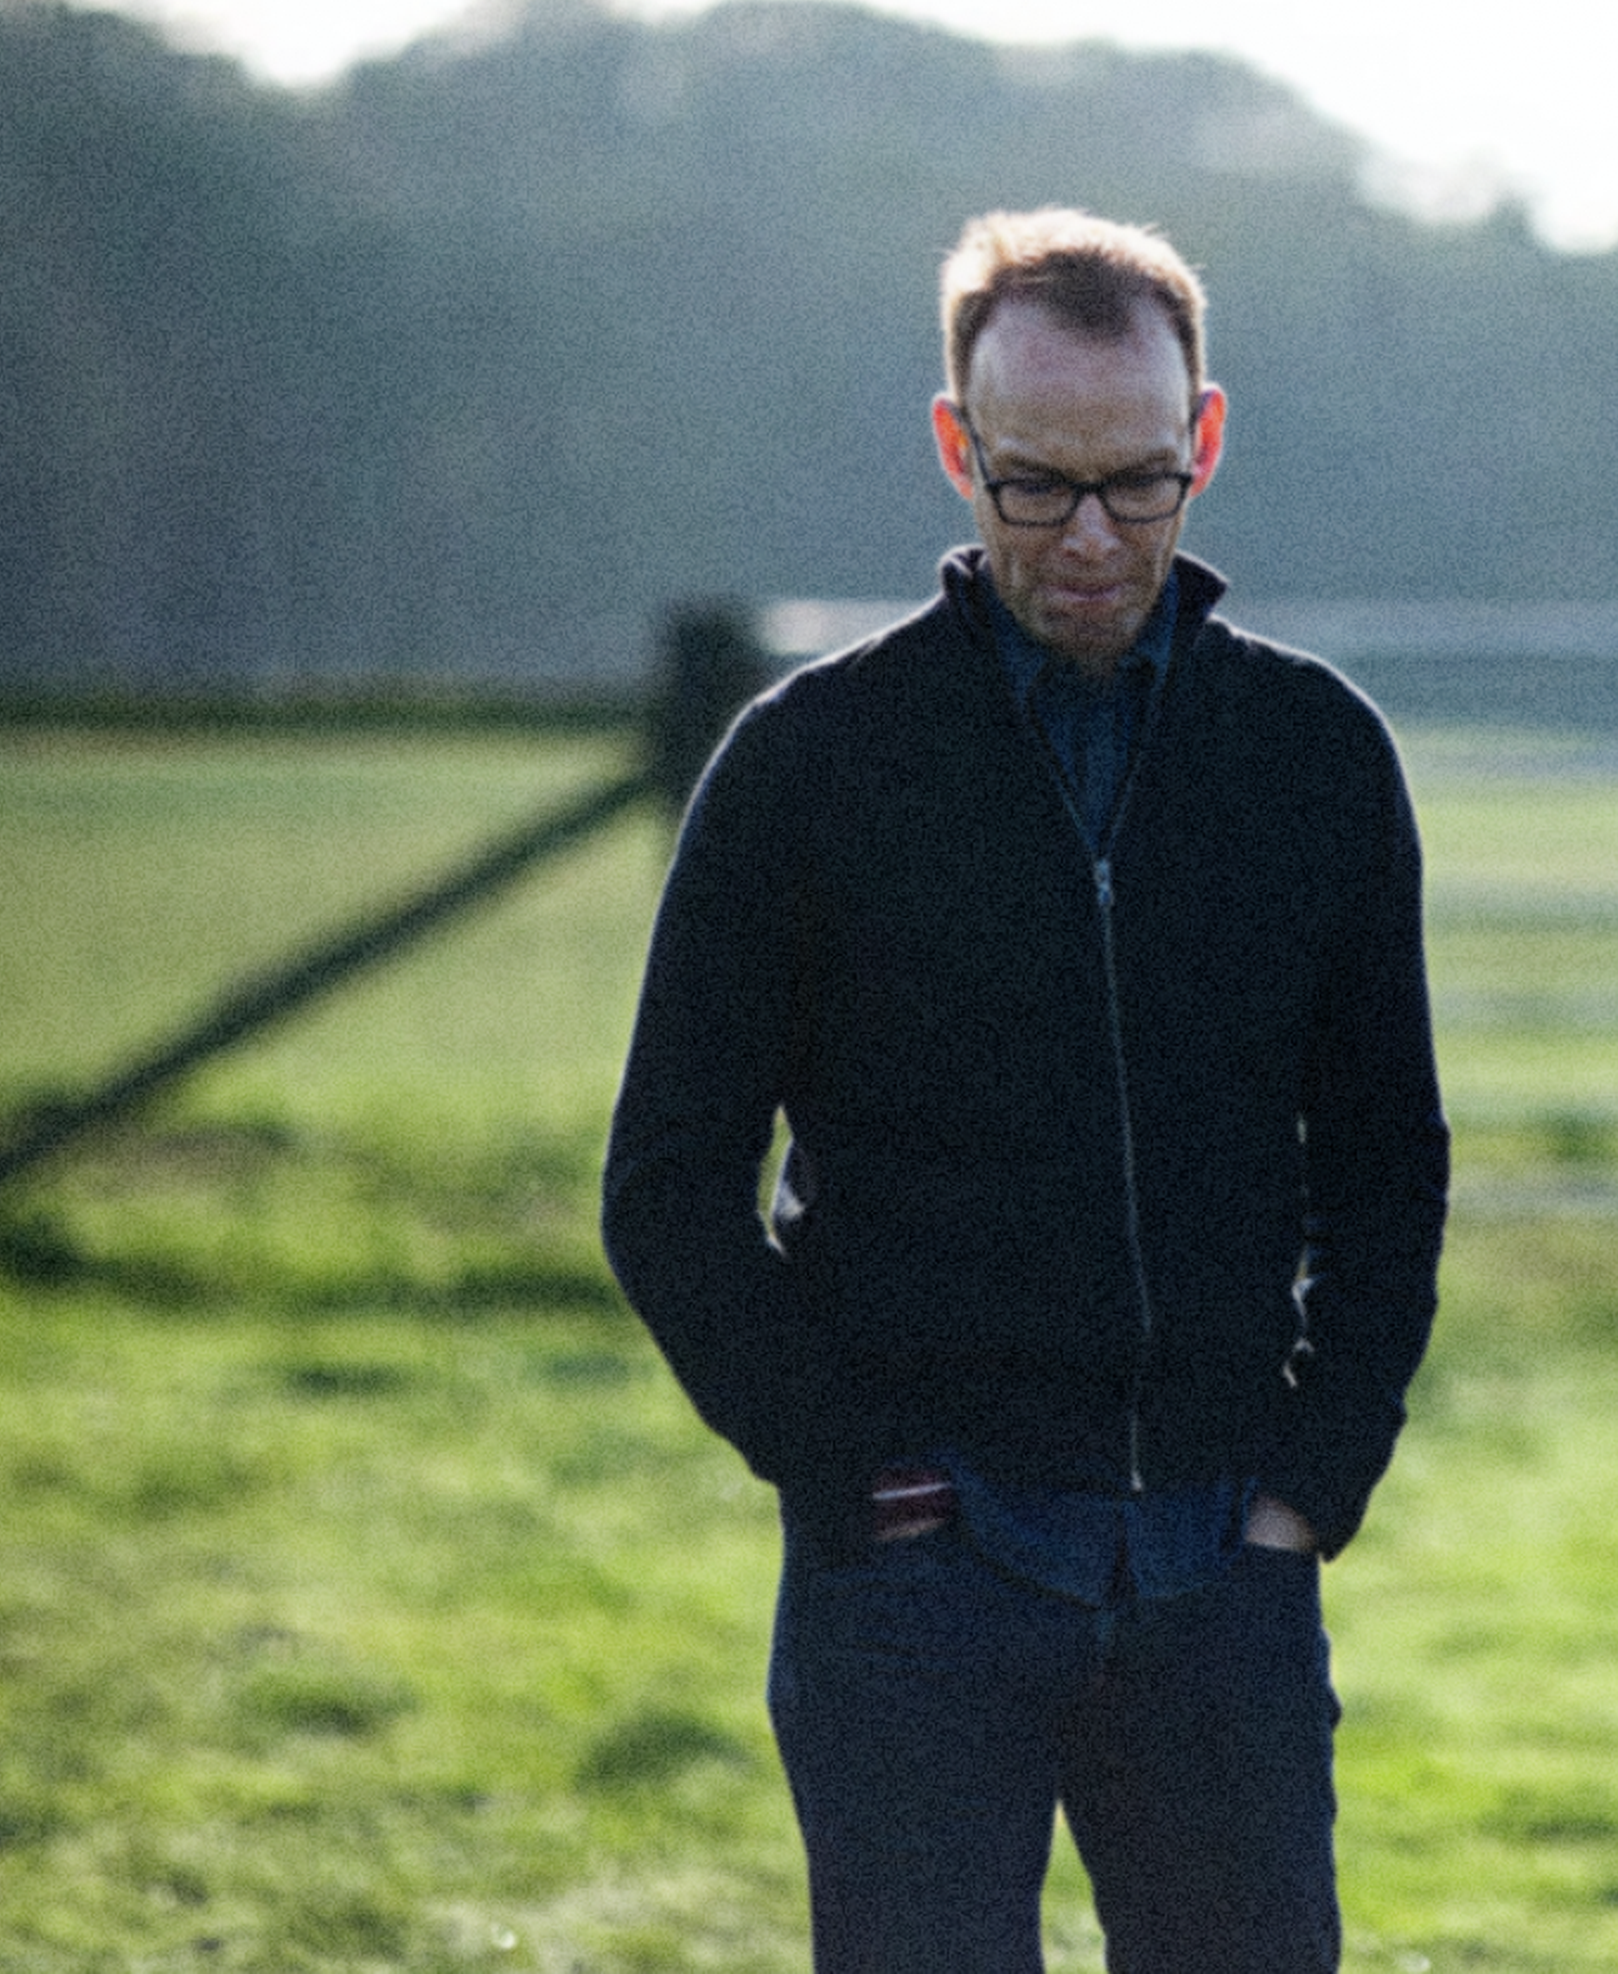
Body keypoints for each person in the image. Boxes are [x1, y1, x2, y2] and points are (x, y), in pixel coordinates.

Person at [604, 206, 1446, 1971]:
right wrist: (836, 1465)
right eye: (1032, 484)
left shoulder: (1315, 756)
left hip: (1224, 1560)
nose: (1085, 538)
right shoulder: (809, 766)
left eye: (1138, 485)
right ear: (951, 447)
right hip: (918, 1574)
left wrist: (1316, 1479)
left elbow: (1387, 1164)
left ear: (1205, 440)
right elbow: (668, 1184)